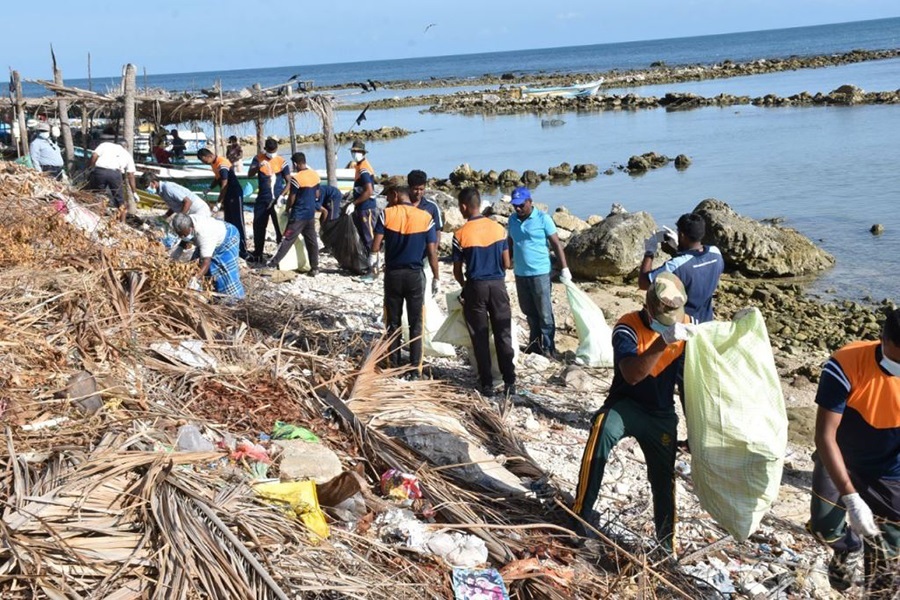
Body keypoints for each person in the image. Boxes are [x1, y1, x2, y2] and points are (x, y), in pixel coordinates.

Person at [572, 272, 697, 554]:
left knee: (664, 478)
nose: (670, 323)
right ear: (649, 307)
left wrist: (694, 430)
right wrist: (662, 341)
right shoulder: (627, 326)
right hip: (627, 404)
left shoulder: (686, 326)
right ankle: (580, 512)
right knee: (602, 429)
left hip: (661, 412)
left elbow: (690, 381)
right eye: (665, 317)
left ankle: (665, 546)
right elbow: (631, 374)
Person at [807, 307, 900, 596]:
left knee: (886, 563)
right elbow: (824, 435)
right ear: (882, 340)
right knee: (824, 526)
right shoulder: (846, 363)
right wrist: (851, 499)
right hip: (841, 457)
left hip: (890, 471)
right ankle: (848, 548)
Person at [452, 187, 516, 398]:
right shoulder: (498, 229)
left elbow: (457, 270)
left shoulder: (460, 234)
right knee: (503, 334)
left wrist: (464, 286)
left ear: (463, 206)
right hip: (497, 286)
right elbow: (507, 264)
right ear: (479, 204)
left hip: (476, 286)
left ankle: (487, 383)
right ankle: (510, 381)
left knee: (479, 336)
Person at [371, 184, 439, 375]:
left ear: (395, 195)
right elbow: (433, 251)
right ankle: (415, 367)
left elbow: (376, 245)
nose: (387, 201)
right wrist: (437, 277)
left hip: (393, 275)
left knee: (393, 322)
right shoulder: (426, 218)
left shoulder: (387, 214)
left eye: (388, 197)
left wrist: (373, 263)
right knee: (416, 322)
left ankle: (394, 364)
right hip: (415, 275)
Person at [506, 186, 571, 358]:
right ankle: (535, 345)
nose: (518, 208)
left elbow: (556, 244)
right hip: (520, 273)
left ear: (530, 202)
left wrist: (564, 268)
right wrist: (506, 262)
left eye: (521, 205)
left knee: (544, 313)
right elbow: (510, 242)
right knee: (529, 312)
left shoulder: (543, 219)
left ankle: (550, 348)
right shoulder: (512, 220)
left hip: (540, 273)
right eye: (515, 205)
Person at [639, 212, 724, 323]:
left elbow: (643, 283)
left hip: (684, 323)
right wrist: (679, 249)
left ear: (682, 235)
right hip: (706, 320)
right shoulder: (716, 253)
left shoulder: (675, 265)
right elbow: (695, 265)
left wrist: (649, 252)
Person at [267, 152, 321, 276]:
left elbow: (292, 197)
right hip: (310, 214)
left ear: (295, 164)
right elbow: (317, 194)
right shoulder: (315, 175)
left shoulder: (297, 178)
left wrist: (286, 210)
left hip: (298, 215)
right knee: (312, 241)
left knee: (287, 239)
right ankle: (315, 267)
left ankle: (273, 264)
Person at [171, 213, 245, 300]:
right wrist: (176, 254)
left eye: (184, 235)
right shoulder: (186, 222)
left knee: (223, 271)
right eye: (180, 235)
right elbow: (185, 238)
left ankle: (235, 299)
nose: (182, 237)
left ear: (191, 228)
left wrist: (195, 279)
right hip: (212, 234)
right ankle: (207, 292)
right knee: (194, 265)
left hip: (228, 237)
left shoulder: (204, 234)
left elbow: (206, 261)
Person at [197, 147, 247, 259]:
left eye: (203, 160)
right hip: (227, 196)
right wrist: (210, 188)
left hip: (234, 193)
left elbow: (224, 185)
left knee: (238, 222)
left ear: (208, 156)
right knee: (229, 222)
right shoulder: (214, 164)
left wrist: (218, 203)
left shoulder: (222, 164)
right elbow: (217, 178)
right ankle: (232, 247)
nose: (204, 163)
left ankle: (243, 250)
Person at [247, 138, 289, 262]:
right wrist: (258, 167)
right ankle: (258, 253)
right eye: (269, 151)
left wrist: (282, 196)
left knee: (279, 227)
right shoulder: (258, 158)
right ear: (265, 149)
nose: (271, 153)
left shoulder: (281, 161)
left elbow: (289, 182)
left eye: (273, 150)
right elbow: (250, 174)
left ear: (277, 149)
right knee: (258, 226)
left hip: (277, 200)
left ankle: (281, 255)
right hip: (262, 199)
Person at [344, 140, 377, 274]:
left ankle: (373, 268)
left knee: (369, 238)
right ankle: (366, 265)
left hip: (366, 207)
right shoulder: (358, 166)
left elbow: (368, 191)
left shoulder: (364, 168)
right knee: (364, 237)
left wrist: (354, 203)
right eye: (353, 151)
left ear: (363, 153)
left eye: (357, 152)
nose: (355, 154)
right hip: (361, 206)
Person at [88, 140, 138, 222]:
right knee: (120, 201)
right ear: (126, 147)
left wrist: (91, 168)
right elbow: (131, 175)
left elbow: (94, 156)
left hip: (100, 171)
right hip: (115, 174)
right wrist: (134, 192)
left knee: (96, 195)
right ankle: (123, 223)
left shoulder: (105, 145)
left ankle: (95, 218)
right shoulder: (127, 154)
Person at [139, 172, 211, 219]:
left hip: (198, 209)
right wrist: (165, 216)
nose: (146, 189)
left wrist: (180, 218)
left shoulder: (167, 188)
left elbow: (188, 202)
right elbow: (175, 205)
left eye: (146, 186)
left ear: (154, 183)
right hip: (190, 210)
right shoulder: (160, 191)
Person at [407, 169, 443, 246]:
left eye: (421, 189)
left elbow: (437, 231)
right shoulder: (400, 206)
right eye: (415, 189)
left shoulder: (432, 207)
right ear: (409, 188)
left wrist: (433, 250)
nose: (418, 192)